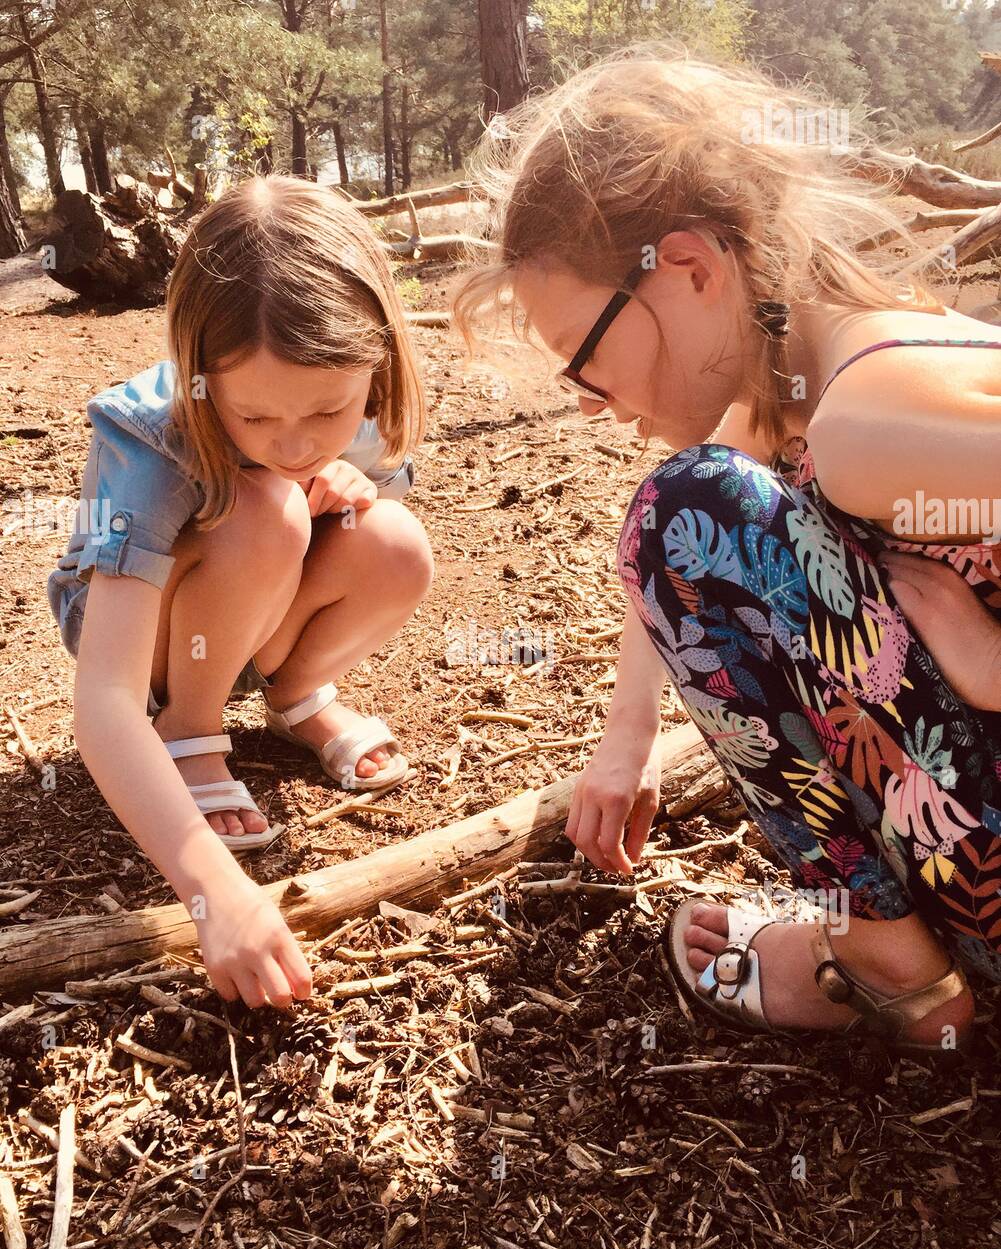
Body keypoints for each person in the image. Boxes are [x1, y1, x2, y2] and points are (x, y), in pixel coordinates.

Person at [450, 43, 1001, 1052]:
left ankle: (882, 965)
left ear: (689, 269)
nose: (588, 401)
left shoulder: (864, 423)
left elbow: (682, 528)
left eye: (583, 357)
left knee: (684, 508)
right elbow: (683, 565)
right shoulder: (808, 390)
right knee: (693, 514)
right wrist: (625, 739)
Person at [47, 175, 434, 1009]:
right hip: (145, 639)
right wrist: (211, 892)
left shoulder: (355, 406)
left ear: (377, 360)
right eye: (253, 419)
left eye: (326, 414)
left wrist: (342, 489)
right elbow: (104, 698)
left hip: (249, 611)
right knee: (265, 507)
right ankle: (189, 727)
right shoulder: (152, 442)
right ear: (198, 376)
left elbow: (348, 525)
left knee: (395, 545)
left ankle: (294, 698)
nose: (293, 442)